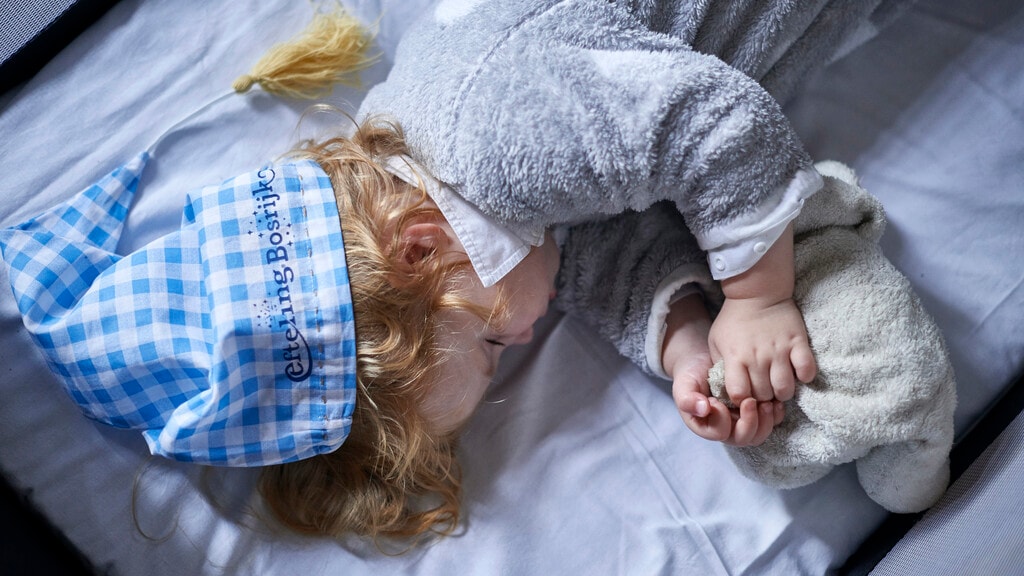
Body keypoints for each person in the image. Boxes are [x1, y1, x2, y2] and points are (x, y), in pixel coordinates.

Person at [1, 0, 911, 542]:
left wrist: (756, 296)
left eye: (487, 341)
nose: (523, 336)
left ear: (418, 248)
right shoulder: (494, 220)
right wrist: (681, 342)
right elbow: (598, 255)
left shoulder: (494, 134)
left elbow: (710, 123)